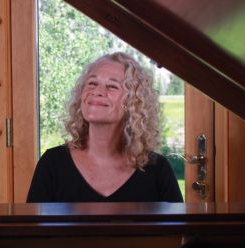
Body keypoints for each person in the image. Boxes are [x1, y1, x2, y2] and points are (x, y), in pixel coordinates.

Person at [27, 52, 183, 203]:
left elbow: (178, 230)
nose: (97, 91)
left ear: (133, 102)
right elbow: (33, 229)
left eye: (112, 86)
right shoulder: (52, 164)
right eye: (92, 83)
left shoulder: (158, 170)